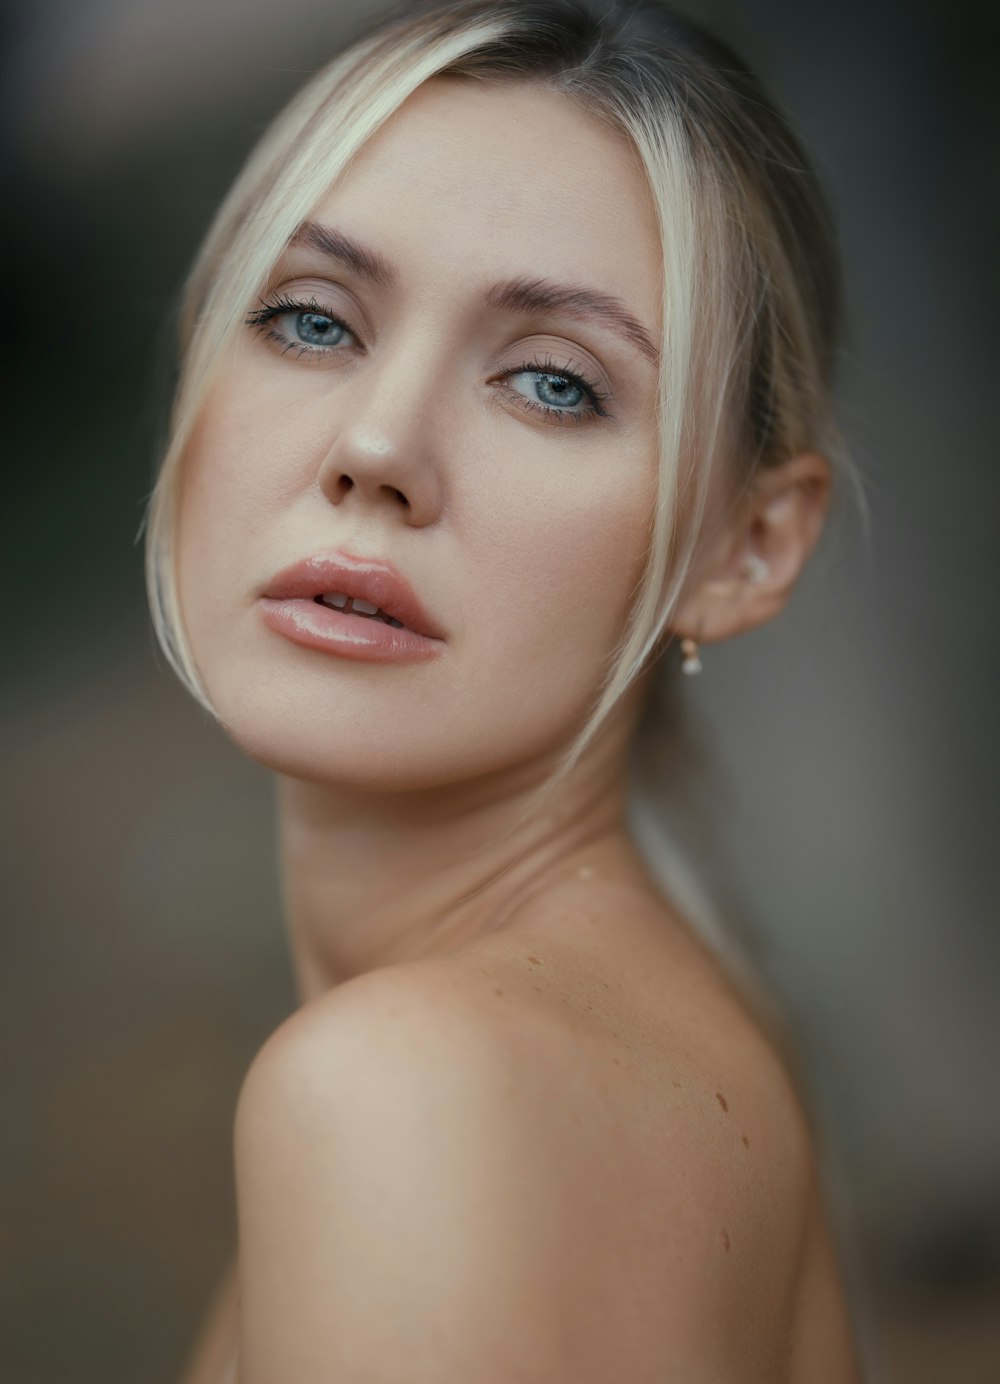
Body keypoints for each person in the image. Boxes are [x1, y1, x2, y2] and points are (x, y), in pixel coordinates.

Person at [148, 1, 865, 1379]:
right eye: (310, 319)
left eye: (553, 383)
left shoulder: (410, 1094)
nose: (376, 445)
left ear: (746, 547)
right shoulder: (627, 1043)